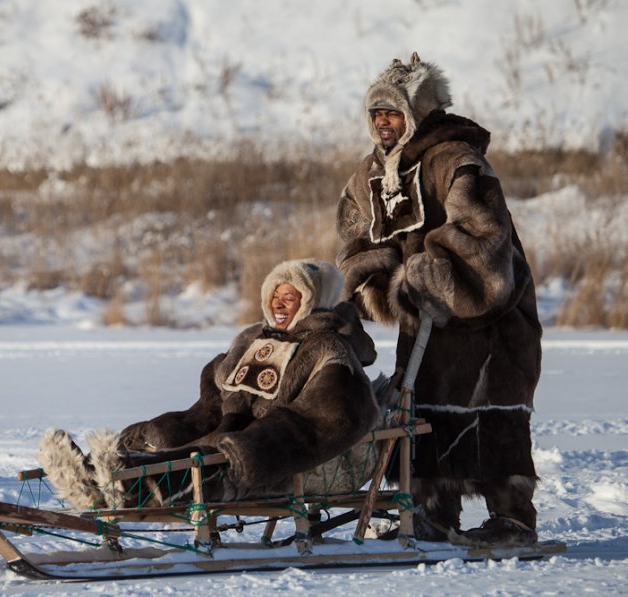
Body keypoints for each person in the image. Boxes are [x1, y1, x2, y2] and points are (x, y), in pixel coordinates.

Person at [335, 52, 542, 547]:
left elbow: (483, 235)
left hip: (491, 318)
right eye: (376, 114)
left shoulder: (456, 159)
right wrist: (376, 282)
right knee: (421, 411)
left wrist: (425, 275)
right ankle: (432, 514)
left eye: (393, 113)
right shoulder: (372, 173)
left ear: (417, 114)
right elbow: (357, 239)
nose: (383, 123)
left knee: (491, 411)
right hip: (423, 321)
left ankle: (512, 519)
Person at [38, 259, 384, 511]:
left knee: (209, 459)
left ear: (311, 303)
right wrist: (166, 430)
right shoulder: (254, 339)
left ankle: (120, 486)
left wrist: (253, 444)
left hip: (267, 453)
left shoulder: (328, 348)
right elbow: (216, 403)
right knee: (168, 438)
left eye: (290, 297)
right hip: (226, 435)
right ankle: (100, 474)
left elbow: (329, 418)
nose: (279, 304)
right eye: (275, 296)